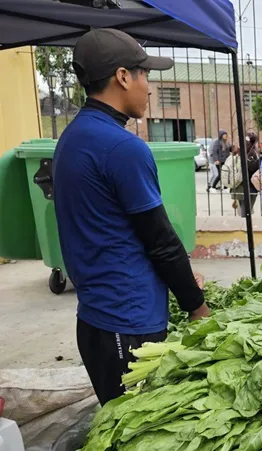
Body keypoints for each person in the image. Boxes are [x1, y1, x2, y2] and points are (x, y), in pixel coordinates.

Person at [52, 29, 209, 405]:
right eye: (146, 75)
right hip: (129, 325)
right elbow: (160, 240)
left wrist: (178, 279)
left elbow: (108, 229)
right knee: (141, 427)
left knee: (121, 422)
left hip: (95, 320)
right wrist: (196, 304)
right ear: (123, 76)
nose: (150, 88)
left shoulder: (72, 138)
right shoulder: (123, 147)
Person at [230, 133, 262, 217]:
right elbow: (251, 167)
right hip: (248, 185)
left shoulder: (240, 152)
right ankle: (245, 224)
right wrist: (261, 160)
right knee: (246, 212)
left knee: (245, 210)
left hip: (239, 185)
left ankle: (245, 223)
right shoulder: (250, 153)